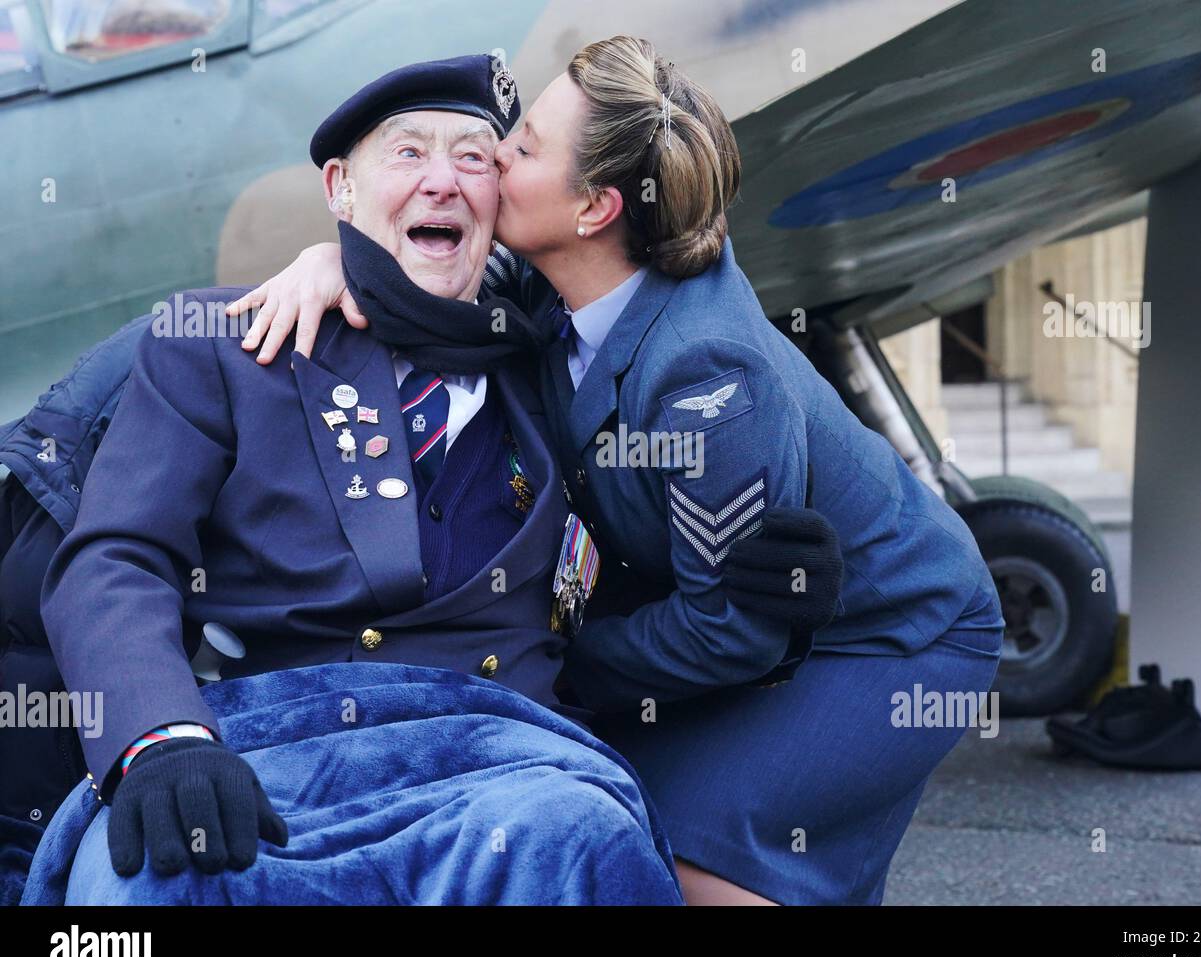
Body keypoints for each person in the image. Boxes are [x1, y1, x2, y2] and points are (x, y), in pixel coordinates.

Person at [233, 37, 1006, 906]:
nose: (496, 153)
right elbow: (435, 265)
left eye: (523, 148)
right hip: (735, 630)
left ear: (596, 207)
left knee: (679, 858)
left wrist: (557, 664)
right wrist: (331, 260)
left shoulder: (708, 378)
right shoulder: (555, 277)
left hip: (890, 632)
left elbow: (732, 630)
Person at [29, 55, 707, 905]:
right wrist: (163, 739)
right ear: (341, 188)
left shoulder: (553, 366)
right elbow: (116, 560)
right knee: (147, 881)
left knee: (584, 838)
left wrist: (757, 584)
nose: (443, 183)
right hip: (269, 757)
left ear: (500, 199)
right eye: (408, 154)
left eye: (472, 158)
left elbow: (680, 278)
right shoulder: (220, 346)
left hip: (505, 768)